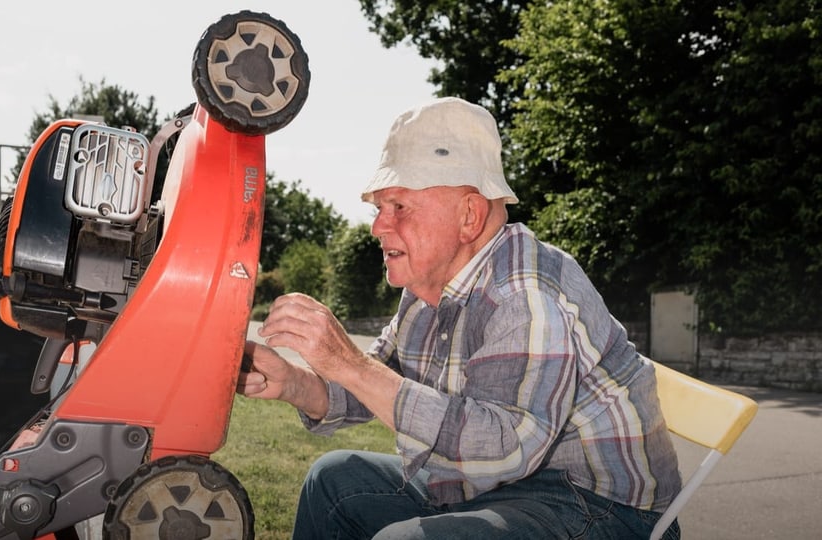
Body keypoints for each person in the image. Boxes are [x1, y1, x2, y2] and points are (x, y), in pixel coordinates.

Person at [238, 97, 682, 539]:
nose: (378, 226)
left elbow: (506, 450)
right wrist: (296, 383)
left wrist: (349, 364)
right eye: (378, 208)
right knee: (332, 481)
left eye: (399, 207)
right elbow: (374, 385)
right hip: (504, 487)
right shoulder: (425, 290)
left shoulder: (525, 292)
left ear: (469, 215)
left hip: (603, 507)